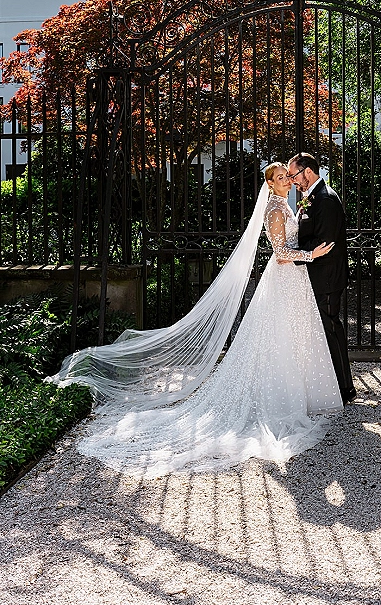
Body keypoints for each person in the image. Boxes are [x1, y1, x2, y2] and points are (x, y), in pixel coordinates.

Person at [50, 163, 343, 478]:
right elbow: (280, 252)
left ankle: (299, 394)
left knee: (292, 336)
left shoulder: (286, 205)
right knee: (278, 339)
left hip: (293, 282)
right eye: (282, 177)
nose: (288, 180)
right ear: (270, 185)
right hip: (284, 276)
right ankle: (280, 400)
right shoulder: (274, 209)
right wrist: (313, 255)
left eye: (289, 175)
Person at [287, 153, 356, 404]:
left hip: (326, 277)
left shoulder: (325, 200)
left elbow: (324, 243)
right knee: (324, 330)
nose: (293, 181)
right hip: (316, 275)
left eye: (294, 175)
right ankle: (333, 385)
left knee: (331, 329)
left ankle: (345, 389)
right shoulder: (312, 197)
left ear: (307, 172)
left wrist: (291, 254)